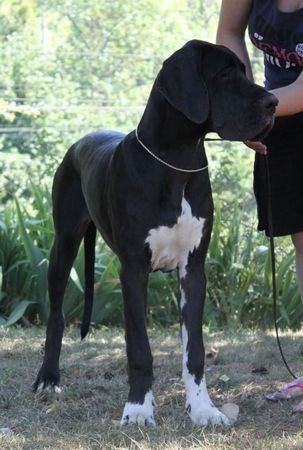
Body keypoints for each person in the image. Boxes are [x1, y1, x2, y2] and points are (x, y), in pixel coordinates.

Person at [216, 0, 303, 410]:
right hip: (279, 120)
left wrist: (253, 110)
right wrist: (245, 101)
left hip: (277, 108)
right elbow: (230, 32)